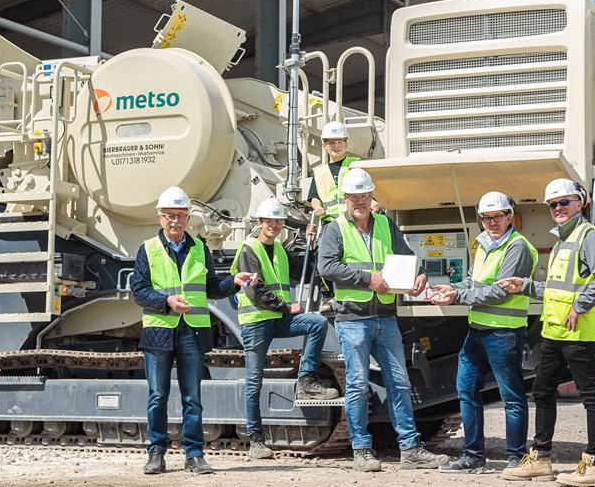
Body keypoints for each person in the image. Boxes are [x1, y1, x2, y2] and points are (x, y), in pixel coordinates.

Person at [316, 168, 449, 472]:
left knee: (400, 383)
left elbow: (406, 256)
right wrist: (367, 279)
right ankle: (361, 449)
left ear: (371, 195)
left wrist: (419, 275)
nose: (360, 201)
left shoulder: (386, 225)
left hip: (386, 317)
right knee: (358, 385)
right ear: (346, 198)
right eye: (354, 196)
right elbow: (327, 267)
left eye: (365, 195)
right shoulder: (335, 229)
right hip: (353, 319)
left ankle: (411, 449)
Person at [498, 178, 595, 487]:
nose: (558, 209)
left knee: (591, 396)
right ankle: (540, 459)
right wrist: (524, 286)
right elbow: (556, 288)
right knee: (541, 391)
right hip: (554, 332)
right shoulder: (563, 240)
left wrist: (581, 305)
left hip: (577, 332)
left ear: (580, 203)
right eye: (552, 204)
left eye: (564, 202)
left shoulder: (586, 236)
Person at [132, 186, 256, 475]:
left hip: (192, 331)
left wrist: (234, 281)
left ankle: (194, 455)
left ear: (188, 218)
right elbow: (138, 292)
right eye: (169, 215)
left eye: (181, 215)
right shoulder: (147, 249)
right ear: (160, 218)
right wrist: (166, 301)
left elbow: (211, 287)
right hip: (159, 330)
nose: (175, 220)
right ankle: (156, 453)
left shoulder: (200, 248)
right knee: (157, 396)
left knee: (192, 398)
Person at [430, 191, 536, 474]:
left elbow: (500, 291)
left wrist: (457, 298)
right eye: (486, 218)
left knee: (511, 397)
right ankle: (472, 456)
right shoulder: (484, 244)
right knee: (466, 391)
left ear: (509, 217)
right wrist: (454, 289)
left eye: (497, 217)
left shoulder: (518, 247)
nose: (491, 222)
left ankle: (516, 457)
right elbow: (474, 281)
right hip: (477, 330)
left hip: (504, 332)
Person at [230, 197, 340, 460]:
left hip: (276, 319)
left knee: (317, 323)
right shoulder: (249, 249)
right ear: (259, 223)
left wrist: (311, 242)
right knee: (254, 382)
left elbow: (304, 266)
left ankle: (305, 381)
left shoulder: (279, 250)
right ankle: (256, 440)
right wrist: (285, 307)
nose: (274, 225)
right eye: (269, 221)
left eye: (278, 221)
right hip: (257, 321)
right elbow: (255, 290)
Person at [309, 121, 359, 223]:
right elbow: (314, 197)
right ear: (324, 145)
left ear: (346, 144)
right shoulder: (319, 172)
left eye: (339, 142)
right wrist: (318, 207)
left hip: (354, 220)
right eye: (331, 142)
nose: (336, 146)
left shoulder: (356, 165)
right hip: (330, 222)